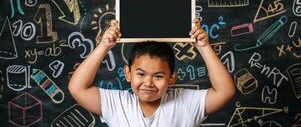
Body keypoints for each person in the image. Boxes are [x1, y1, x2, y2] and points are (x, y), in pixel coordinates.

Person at [68, 19, 236, 127]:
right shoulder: (118, 104)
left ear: (171, 79)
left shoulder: (186, 103)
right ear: (128, 74)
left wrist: (204, 47)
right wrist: (104, 46)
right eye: (140, 74)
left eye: (158, 76)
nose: (148, 82)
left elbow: (225, 91)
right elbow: (77, 88)